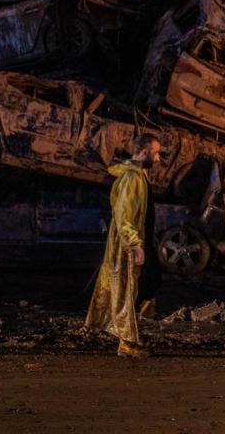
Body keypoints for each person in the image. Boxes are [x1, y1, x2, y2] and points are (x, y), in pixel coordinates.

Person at [85, 133, 161, 357]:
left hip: (141, 240)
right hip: (128, 245)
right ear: (144, 152)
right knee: (127, 291)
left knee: (149, 281)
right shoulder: (132, 178)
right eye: (156, 153)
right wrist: (134, 244)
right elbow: (123, 214)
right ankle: (126, 342)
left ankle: (130, 330)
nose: (158, 159)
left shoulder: (139, 174)